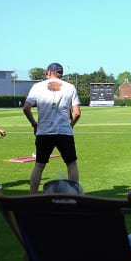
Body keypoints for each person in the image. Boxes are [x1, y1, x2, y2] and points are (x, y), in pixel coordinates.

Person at [23, 63, 82, 194]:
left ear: (49, 72)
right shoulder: (70, 87)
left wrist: (34, 124)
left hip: (44, 131)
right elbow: (77, 113)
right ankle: (75, 196)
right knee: (71, 163)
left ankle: (33, 196)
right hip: (64, 132)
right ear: (61, 73)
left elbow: (26, 108)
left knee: (39, 164)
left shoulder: (37, 87)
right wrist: (70, 125)